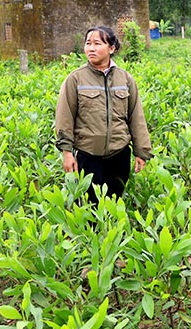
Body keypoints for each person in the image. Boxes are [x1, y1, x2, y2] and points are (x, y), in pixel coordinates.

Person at [55, 26, 153, 204]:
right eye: (88, 43)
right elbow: (64, 118)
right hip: (88, 155)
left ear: (112, 48)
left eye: (97, 44)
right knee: (91, 205)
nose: (91, 48)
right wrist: (67, 152)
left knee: (114, 204)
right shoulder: (75, 79)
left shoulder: (125, 79)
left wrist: (142, 151)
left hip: (119, 154)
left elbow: (136, 117)